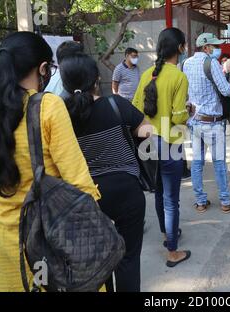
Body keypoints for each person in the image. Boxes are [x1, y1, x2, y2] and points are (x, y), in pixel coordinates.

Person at [0, 32, 100, 291]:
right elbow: (78, 179)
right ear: (42, 68)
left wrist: (3, 210)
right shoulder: (47, 106)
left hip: (8, 242)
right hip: (55, 235)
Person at [60, 53, 151, 292]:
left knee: (99, 261)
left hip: (86, 198)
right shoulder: (115, 104)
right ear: (96, 78)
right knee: (128, 258)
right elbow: (148, 133)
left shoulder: (61, 117)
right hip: (126, 192)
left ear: (66, 83)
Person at [133, 27, 191, 267]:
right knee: (171, 199)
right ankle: (172, 251)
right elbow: (178, 118)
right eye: (184, 46)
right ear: (179, 48)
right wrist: (189, 111)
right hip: (170, 145)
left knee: (158, 193)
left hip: (149, 144)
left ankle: (168, 234)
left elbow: (135, 110)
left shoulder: (147, 74)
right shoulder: (178, 77)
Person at [183, 33, 230, 214]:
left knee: (197, 163)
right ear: (206, 47)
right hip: (212, 123)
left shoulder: (186, 63)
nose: (218, 49)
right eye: (215, 46)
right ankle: (225, 201)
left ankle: (200, 202)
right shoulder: (212, 63)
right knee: (219, 163)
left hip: (194, 121)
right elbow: (225, 90)